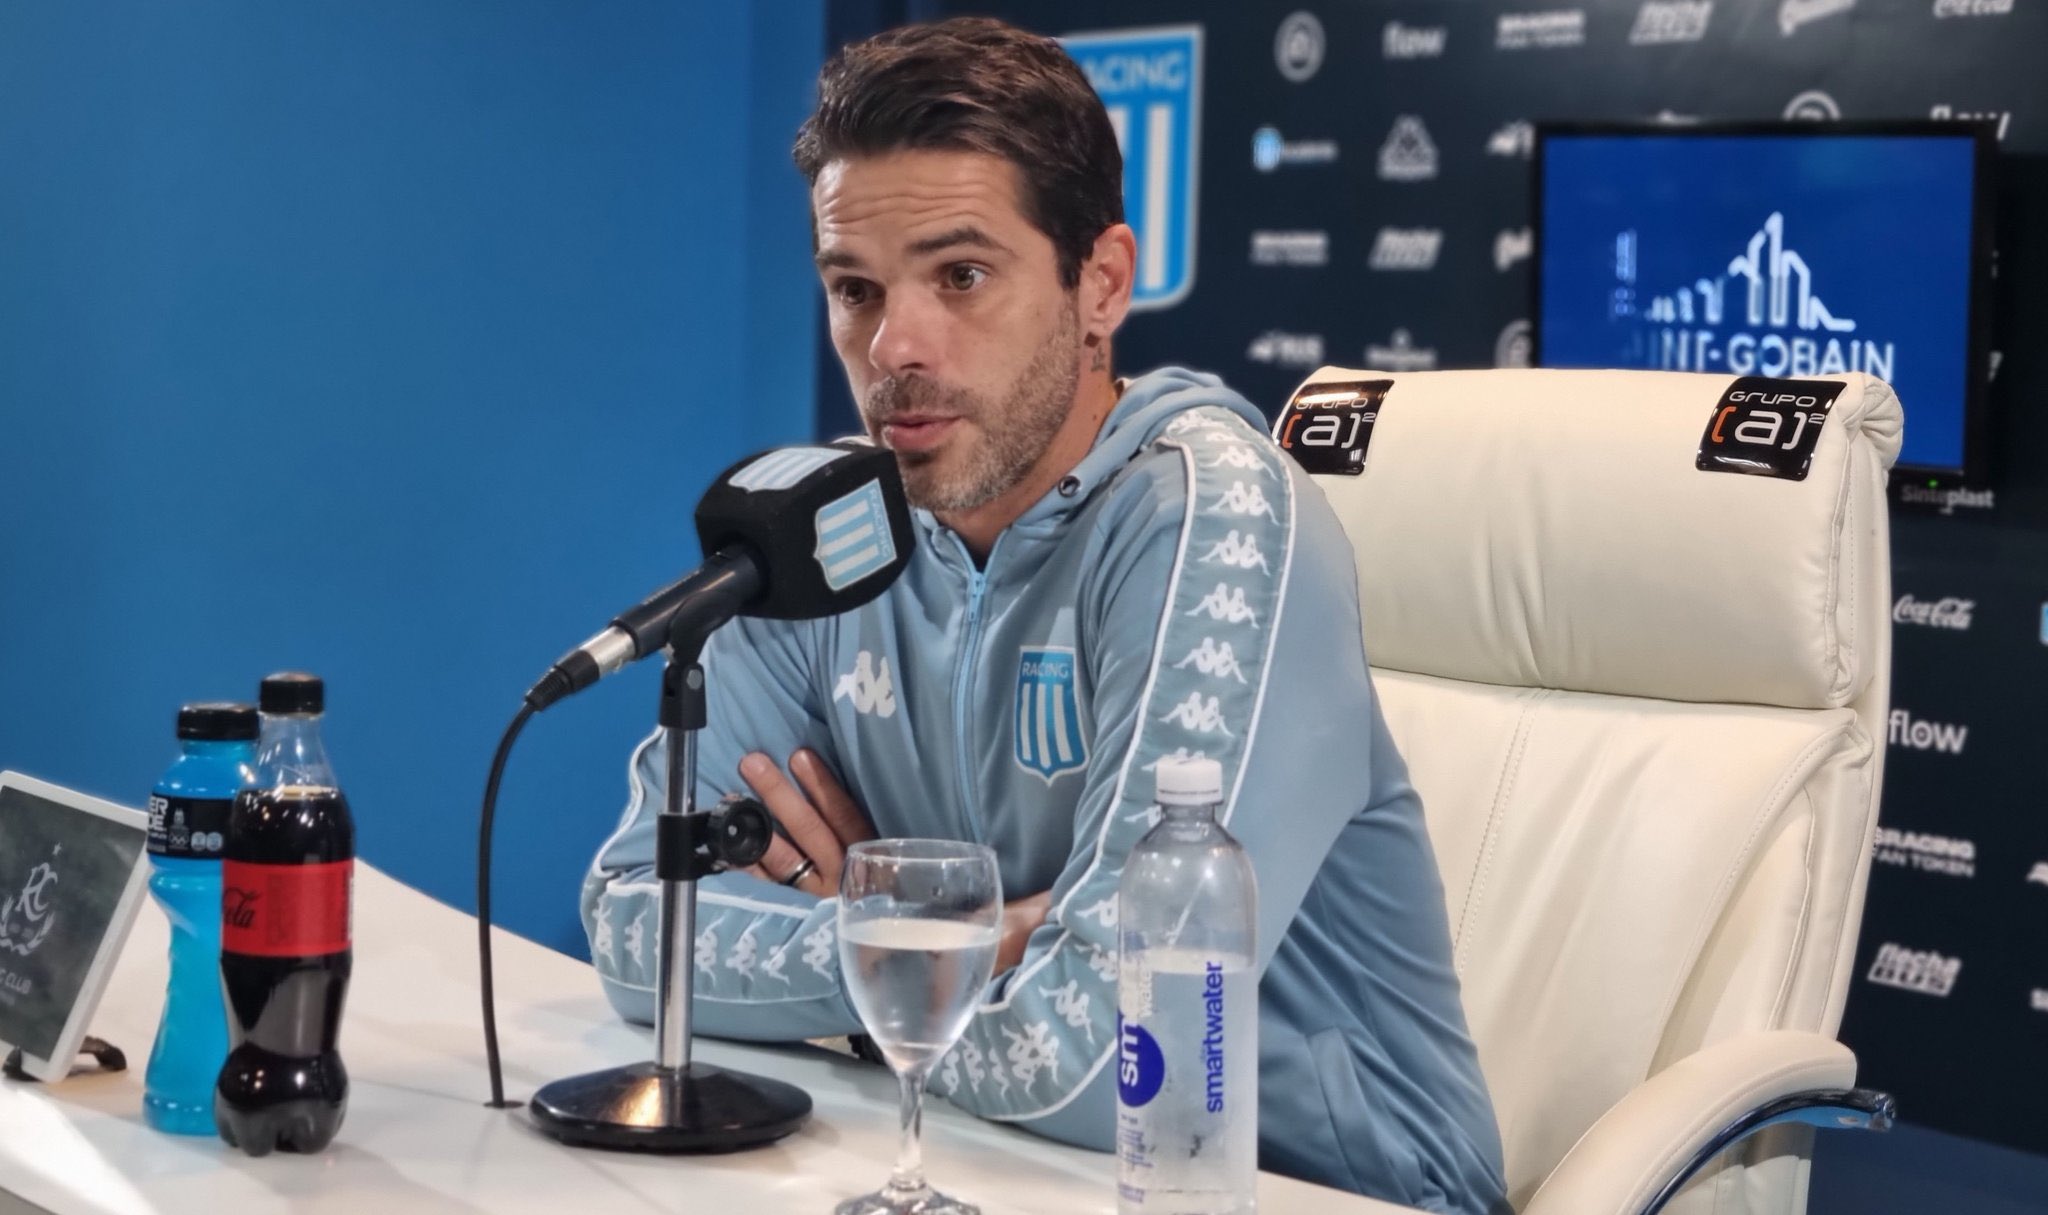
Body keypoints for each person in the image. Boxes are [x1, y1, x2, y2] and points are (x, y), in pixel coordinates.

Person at [582, 17, 1506, 1214]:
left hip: (1322, 1191)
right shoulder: (817, 530)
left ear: (1099, 284)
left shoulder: (1210, 516)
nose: (893, 347)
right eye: (854, 289)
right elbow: (631, 929)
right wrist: (930, 936)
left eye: (960, 276)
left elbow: (1097, 1059)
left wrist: (879, 965)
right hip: (983, 1169)